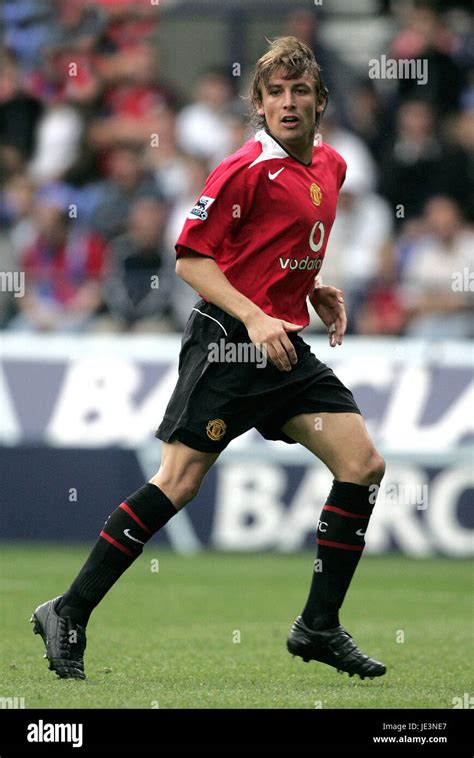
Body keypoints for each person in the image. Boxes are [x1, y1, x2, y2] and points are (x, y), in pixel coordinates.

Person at [31, 37, 386, 681]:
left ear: (320, 102)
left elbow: (271, 249)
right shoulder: (242, 169)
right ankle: (70, 611)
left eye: (299, 91)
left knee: (362, 465)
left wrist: (309, 289)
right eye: (274, 92)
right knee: (179, 483)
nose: (287, 102)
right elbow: (192, 258)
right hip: (227, 343)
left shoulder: (330, 166)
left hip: (282, 348)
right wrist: (252, 314)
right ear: (257, 104)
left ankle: (318, 625)